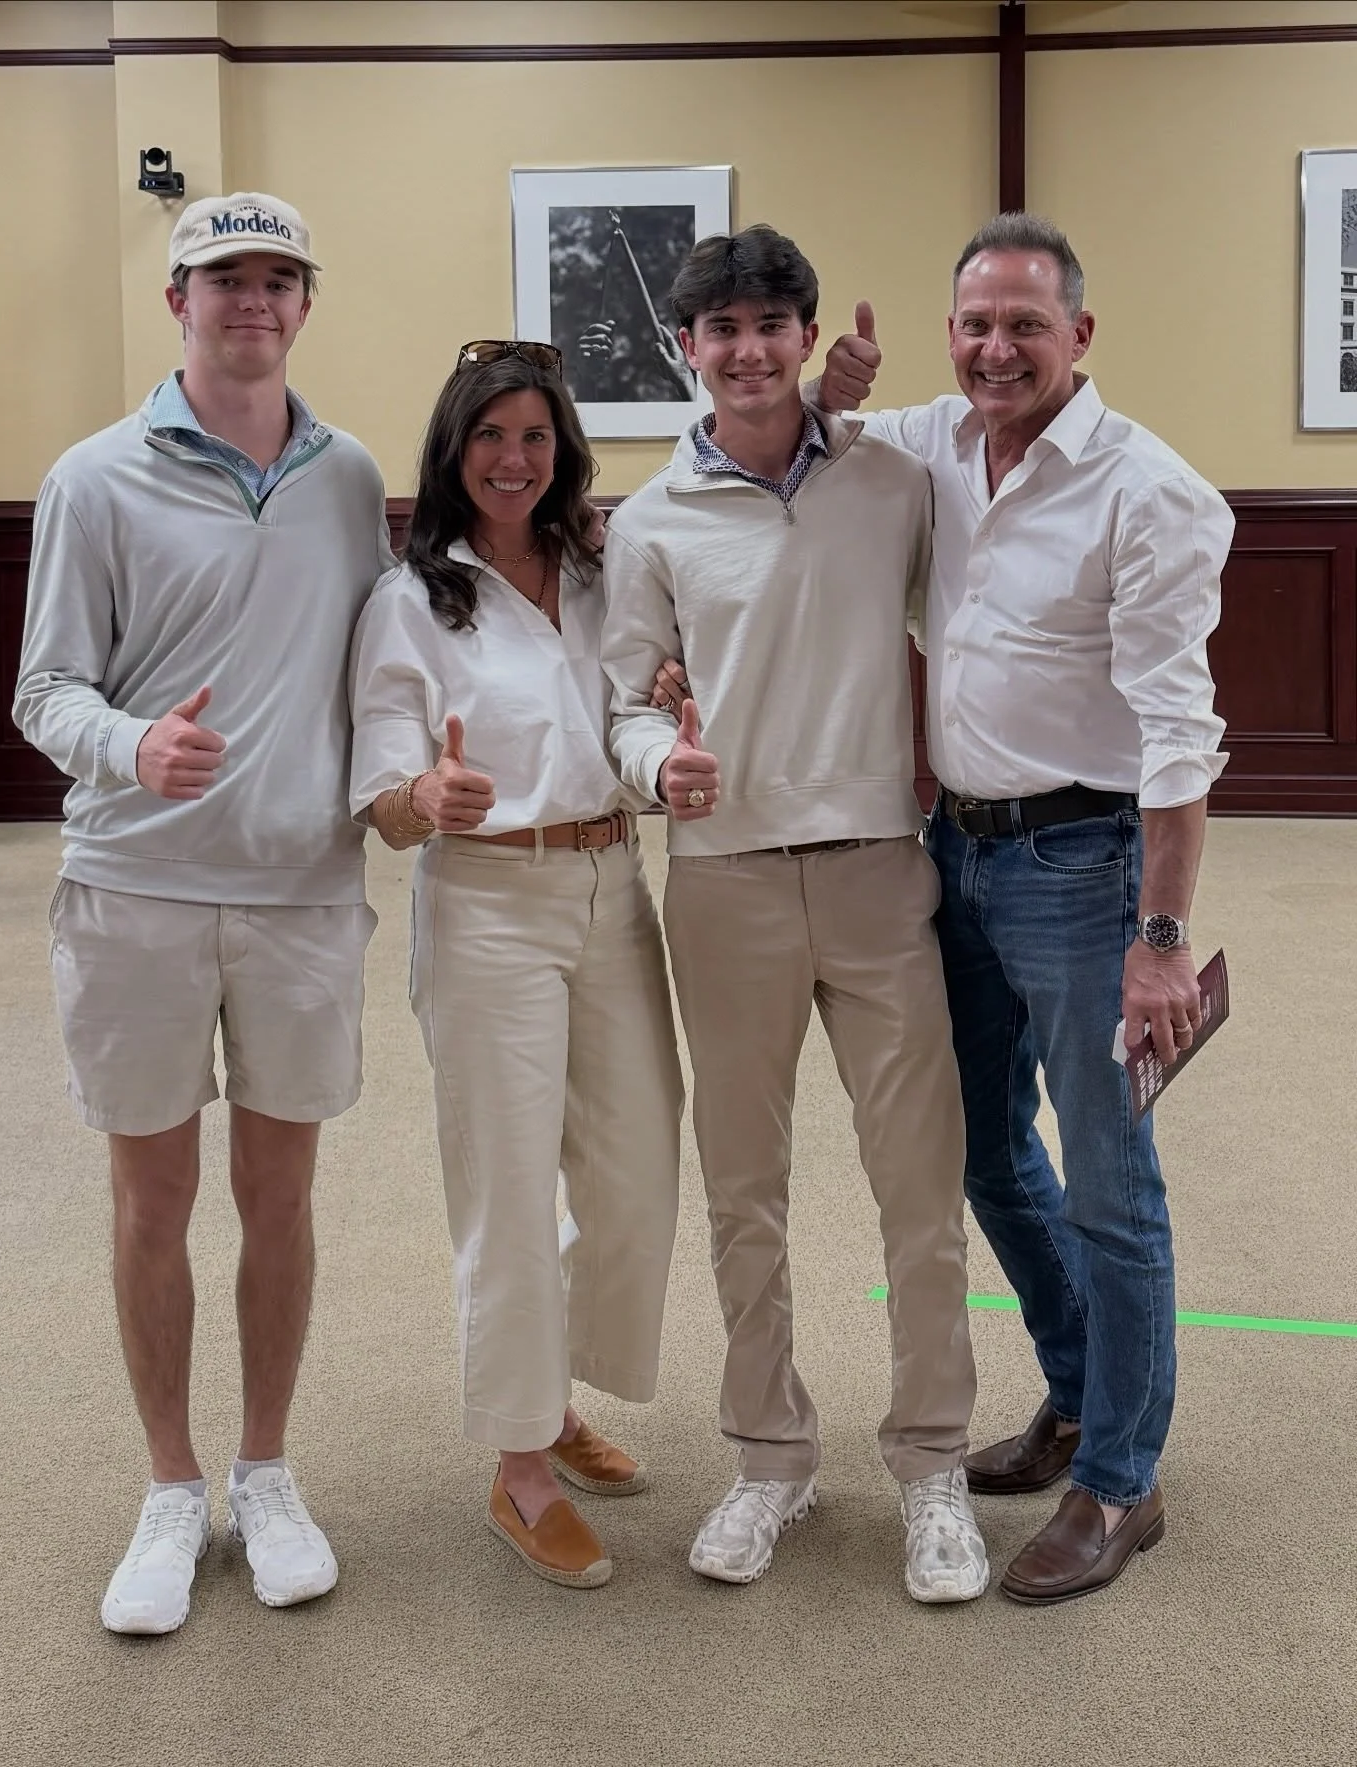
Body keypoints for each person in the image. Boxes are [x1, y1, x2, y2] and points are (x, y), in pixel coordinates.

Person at [811, 211, 1233, 1603]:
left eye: (1026, 326)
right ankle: (1075, 1387)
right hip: (957, 855)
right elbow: (811, 454)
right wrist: (830, 391)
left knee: (1112, 1186)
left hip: (1086, 868)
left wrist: (1161, 943)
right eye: (976, 324)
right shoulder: (935, 438)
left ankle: (1123, 1478)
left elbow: (1181, 734)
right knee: (985, 1147)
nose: (997, 348)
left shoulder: (1148, 491)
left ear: (1081, 337)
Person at [12, 193, 395, 1635]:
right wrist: (131, 746)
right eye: (224, 276)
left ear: (306, 303)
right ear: (178, 297)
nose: (253, 299)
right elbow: (45, 689)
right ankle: (172, 1485)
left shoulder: (350, 475)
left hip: (302, 890)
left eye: (278, 278)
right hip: (137, 889)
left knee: (281, 1196)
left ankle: (267, 1467)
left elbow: (387, 659)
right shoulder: (92, 477)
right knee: (152, 1199)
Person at [602, 226, 989, 1604]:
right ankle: (771, 1453)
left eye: (775, 323)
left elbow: (975, 601)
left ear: (808, 335)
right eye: (724, 329)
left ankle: (933, 1457)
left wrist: (856, 406)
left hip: (886, 867)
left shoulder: (891, 478)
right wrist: (661, 764)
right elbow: (618, 703)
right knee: (744, 1191)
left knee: (917, 1188)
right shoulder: (650, 524)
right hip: (728, 884)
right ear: (686, 349)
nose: (750, 348)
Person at [348, 340, 684, 1591]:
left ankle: (544, 1397)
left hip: (615, 886)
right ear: (452, 451)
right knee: (503, 1181)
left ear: (563, 451)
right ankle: (519, 1465)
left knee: (641, 1162)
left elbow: (641, 705)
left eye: (535, 437)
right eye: (489, 437)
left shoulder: (602, 568)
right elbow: (382, 787)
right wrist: (423, 792)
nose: (512, 459)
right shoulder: (412, 599)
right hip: (487, 896)